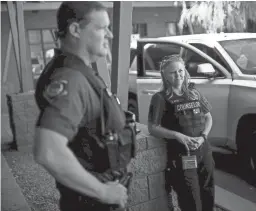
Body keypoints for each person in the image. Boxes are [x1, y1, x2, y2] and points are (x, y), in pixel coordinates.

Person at [33, 2, 136, 211]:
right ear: (75, 30)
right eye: (101, 28)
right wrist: (102, 191)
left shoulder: (80, 71)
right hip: (91, 203)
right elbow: (48, 151)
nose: (110, 35)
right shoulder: (71, 78)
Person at [148, 55, 215, 211]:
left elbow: (208, 117)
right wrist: (177, 135)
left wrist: (203, 136)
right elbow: (153, 127)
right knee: (190, 200)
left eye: (180, 71)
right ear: (165, 75)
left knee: (208, 194)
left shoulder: (194, 93)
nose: (178, 75)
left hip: (203, 150)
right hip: (182, 155)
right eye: (173, 73)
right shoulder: (160, 98)